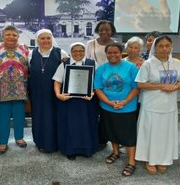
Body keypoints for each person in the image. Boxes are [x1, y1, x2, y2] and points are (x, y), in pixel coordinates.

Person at [135, 36, 180, 175]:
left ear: (171, 47)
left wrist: (175, 87)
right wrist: (161, 86)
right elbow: (140, 84)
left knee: (165, 133)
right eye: (161, 46)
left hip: (169, 105)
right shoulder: (148, 64)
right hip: (151, 104)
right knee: (151, 132)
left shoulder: (176, 62)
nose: (164, 49)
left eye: (167, 46)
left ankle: (163, 159)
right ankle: (149, 160)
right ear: (155, 48)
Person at [94, 42, 139, 176]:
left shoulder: (131, 67)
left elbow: (136, 87)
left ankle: (131, 161)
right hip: (107, 107)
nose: (113, 55)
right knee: (112, 131)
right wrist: (108, 102)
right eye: (110, 53)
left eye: (116, 52)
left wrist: (124, 101)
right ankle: (116, 152)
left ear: (121, 53)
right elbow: (98, 88)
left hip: (127, 107)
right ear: (106, 54)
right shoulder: (101, 69)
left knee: (129, 135)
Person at [52, 42, 98, 160]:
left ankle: (87, 149)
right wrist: (58, 94)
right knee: (70, 126)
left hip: (87, 102)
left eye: (81, 51)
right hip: (68, 101)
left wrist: (93, 92)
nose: (78, 53)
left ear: (84, 52)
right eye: (75, 51)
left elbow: (98, 83)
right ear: (71, 52)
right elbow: (57, 81)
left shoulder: (92, 63)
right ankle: (70, 150)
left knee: (86, 125)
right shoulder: (64, 64)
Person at [0, 25, 29, 154]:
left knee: (19, 115)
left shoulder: (25, 48)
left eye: (14, 35)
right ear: (2, 36)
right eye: (8, 34)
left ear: (18, 37)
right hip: (1, 90)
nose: (11, 37)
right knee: (3, 117)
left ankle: (19, 138)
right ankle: (3, 142)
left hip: (20, 89)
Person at [28, 29, 68, 153]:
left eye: (48, 38)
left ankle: (55, 143)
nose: (46, 41)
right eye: (42, 38)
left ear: (52, 39)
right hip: (36, 92)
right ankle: (40, 142)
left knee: (54, 116)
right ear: (37, 40)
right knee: (39, 116)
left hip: (54, 92)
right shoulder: (31, 54)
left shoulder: (61, 53)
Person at [85, 20, 116, 151]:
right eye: (101, 29)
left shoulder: (116, 44)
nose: (104, 32)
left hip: (111, 82)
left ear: (112, 31)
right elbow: (86, 60)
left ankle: (104, 139)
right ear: (98, 30)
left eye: (107, 29)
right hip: (93, 80)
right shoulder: (90, 43)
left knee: (106, 112)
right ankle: (93, 137)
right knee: (93, 110)